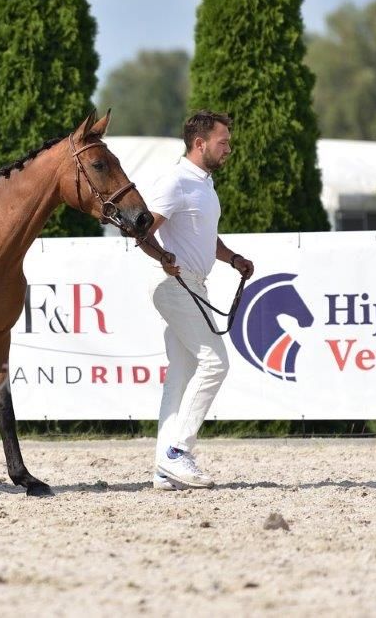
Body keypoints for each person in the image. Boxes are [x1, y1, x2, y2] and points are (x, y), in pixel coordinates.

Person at [136, 110, 254, 490]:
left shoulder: (204, 185)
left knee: (181, 376)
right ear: (200, 143)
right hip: (175, 284)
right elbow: (142, 231)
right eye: (223, 142)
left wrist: (233, 259)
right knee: (216, 363)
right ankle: (178, 451)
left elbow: (204, 238)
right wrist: (162, 257)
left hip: (193, 285)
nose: (229, 149)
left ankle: (163, 467)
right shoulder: (175, 181)